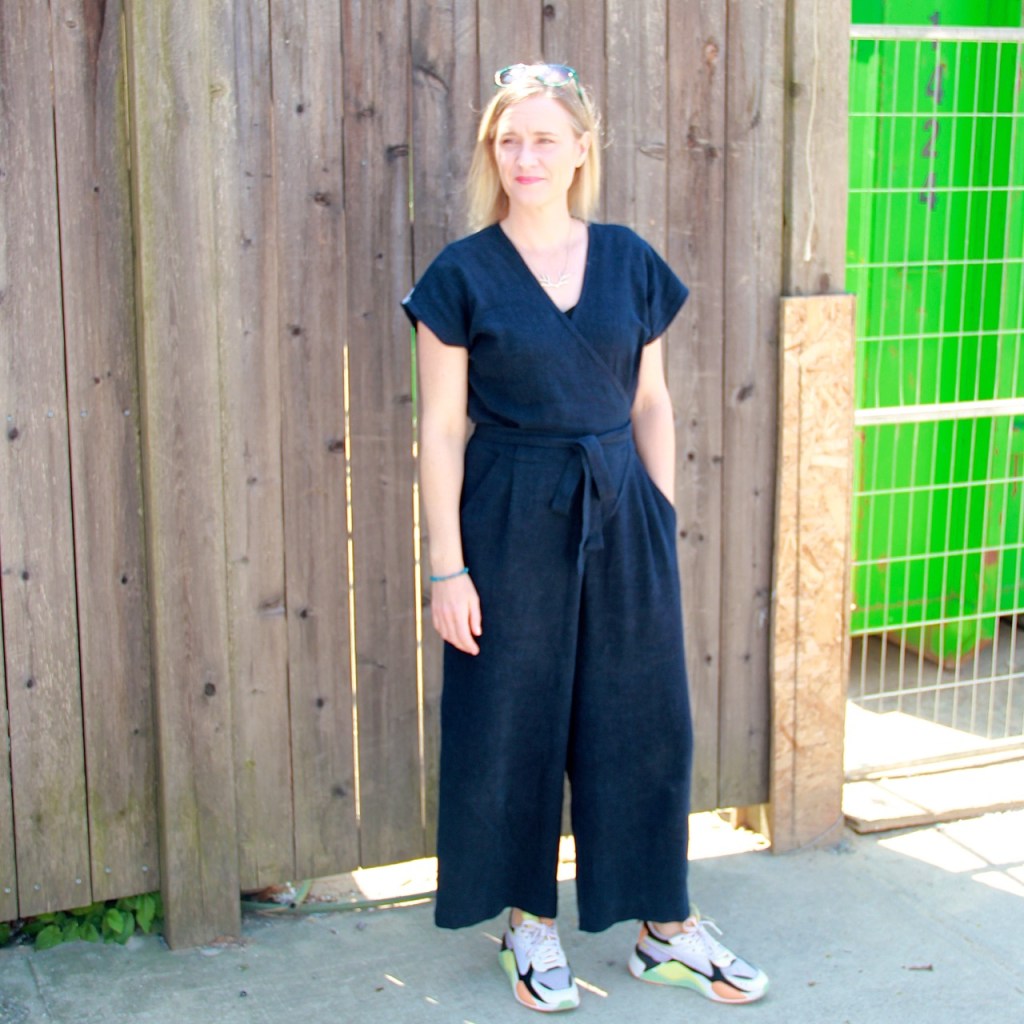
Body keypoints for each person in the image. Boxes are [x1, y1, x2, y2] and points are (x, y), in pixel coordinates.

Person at [402, 62, 768, 1013]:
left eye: (544, 138)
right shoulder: (460, 275)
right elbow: (440, 430)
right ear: (495, 152)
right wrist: (447, 566)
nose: (525, 156)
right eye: (509, 139)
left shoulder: (629, 261)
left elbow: (652, 401)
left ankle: (664, 927)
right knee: (511, 720)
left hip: (623, 512)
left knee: (647, 720)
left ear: (580, 150)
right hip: (509, 510)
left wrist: (656, 510)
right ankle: (527, 921)